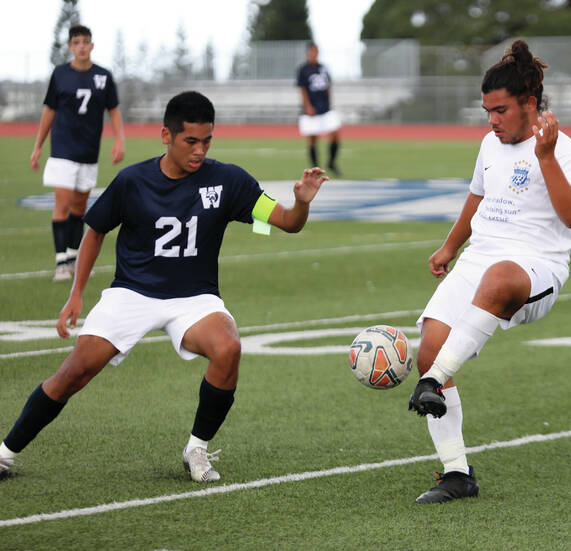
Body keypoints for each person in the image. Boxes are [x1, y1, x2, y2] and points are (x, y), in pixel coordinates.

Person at [0, 91, 328, 482]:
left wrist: (302, 203)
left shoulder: (228, 181)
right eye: (191, 141)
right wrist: (76, 294)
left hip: (194, 298)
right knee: (75, 372)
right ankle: (5, 452)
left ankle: (197, 450)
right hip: (132, 293)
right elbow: (96, 231)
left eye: (207, 141)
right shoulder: (133, 180)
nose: (200, 151)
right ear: (166, 136)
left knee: (229, 347)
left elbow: (288, 222)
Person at [407, 40, 571, 504]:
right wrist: (450, 245)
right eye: (487, 110)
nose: (492, 120)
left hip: (537, 268)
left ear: (529, 104)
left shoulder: (564, 151)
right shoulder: (490, 143)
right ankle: (456, 474)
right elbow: (477, 196)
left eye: (500, 110)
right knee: (429, 345)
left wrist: (544, 158)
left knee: (500, 278)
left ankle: (433, 381)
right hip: (480, 257)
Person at [30, 24, 126, 282]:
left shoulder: (103, 76)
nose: (82, 46)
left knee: (80, 208)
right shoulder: (60, 74)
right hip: (62, 149)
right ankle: (61, 262)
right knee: (62, 205)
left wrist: (119, 140)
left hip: (88, 151)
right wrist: (38, 145)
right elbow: (49, 110)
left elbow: (113, 110)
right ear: (71, 47)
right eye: (77, 42)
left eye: (86, 42)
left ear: (92, 45)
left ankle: (74, 259)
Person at [296, 42, 342, 176]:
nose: (314, 54)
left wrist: (329, 101)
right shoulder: (303, 69)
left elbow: (328, 86)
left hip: (325, 108)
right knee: (313, 138)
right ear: (307, 52)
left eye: (316, 51)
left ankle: (332, 162)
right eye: (311, 51)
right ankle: (315, 168)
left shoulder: (323, 68)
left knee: (335, 134)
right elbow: (303, 89)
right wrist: (307, 106)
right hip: (311, 109)